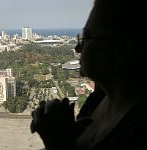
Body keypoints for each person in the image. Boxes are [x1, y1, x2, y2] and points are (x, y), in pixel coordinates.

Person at [30, 0, 147, 149]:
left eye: (86, 38)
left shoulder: (139, 129)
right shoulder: (96, 100)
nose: (78, 48)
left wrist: (57, 144)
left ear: (123, 49)